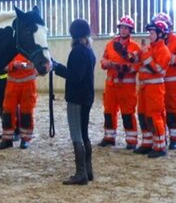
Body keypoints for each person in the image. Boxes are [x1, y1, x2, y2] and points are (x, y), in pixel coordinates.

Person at [53, 19, 96, 185]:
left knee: (76, 134)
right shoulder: (88, 51)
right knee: (84, 133)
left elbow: (74, 76)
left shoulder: (77, 52)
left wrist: (56, 68)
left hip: (76, 98)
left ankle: (81, 173)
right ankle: (88, 169)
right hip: (87, 97)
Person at [125, 20, 171, 158]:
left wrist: (145, 58)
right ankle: (147, 142)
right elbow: (138, 62)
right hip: (144, 87)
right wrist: (132, 56)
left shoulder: (164, 51)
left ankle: (160, 146)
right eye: (149, 33)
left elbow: (157, 69)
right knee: (142, 115)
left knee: (154, 115)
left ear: (160, 34)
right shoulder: (149, 48)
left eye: (152, 33)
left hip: (155, 88)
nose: (150, 35)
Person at [98, 15, 141, 149]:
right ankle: (109, 137)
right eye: (121, 27)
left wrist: (124, 67)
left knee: (127, 113)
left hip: (127, 87)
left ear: (130, 30)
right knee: (109, 112)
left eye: (126, 28)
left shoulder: (135, 47)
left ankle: (131, 140)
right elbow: (103, 60)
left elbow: (137, 66)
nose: (123, 30)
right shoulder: (110, 44)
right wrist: (107, 63)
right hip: (111, 86)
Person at [151, 12, 176, 150]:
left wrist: (172, 58)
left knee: (172, 110)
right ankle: (161, 138)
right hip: (157, 83)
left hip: (172, 83)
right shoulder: (153, 43)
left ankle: (175, 139)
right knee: (158, 111)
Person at [0, 53, 38, 150]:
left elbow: (39, 63)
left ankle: (25, 139)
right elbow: (2, 63)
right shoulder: (11, 46)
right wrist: (13, 65)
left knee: (26, 112)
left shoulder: (32, 45)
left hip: (28, 84)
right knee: (7, 112)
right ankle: (7, 139)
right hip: (12, 83)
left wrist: (26, 65)